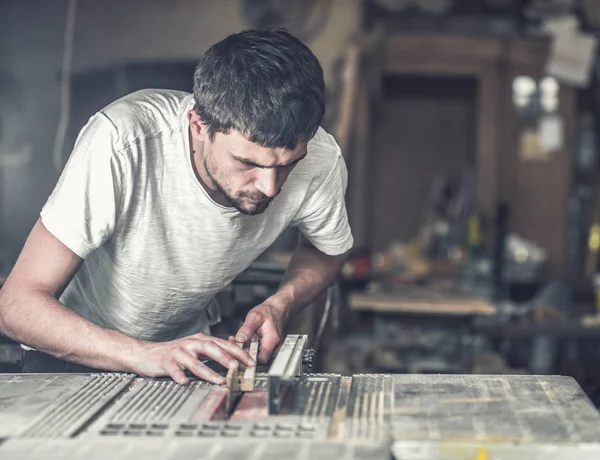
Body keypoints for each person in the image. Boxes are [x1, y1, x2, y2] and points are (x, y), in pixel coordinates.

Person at [0, 29, 353, 385]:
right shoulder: (123, 141)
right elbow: (15, 306)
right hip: (68, 357)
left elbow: (326, 250)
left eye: (288, 164)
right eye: (248, 163)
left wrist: (282, 302)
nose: (270, 187)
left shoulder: (320, 158)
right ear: (198, 125)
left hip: (183, 360)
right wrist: (143, 353)